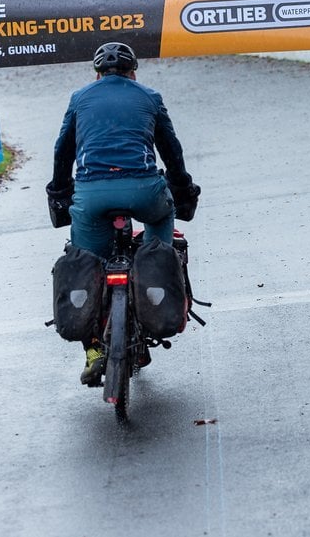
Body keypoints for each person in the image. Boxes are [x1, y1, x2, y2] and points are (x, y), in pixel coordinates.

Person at [47, 42, 200, 384]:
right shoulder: (149, 97)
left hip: (92, 195)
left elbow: (63, 151)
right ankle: (151, 299)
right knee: (159, 237)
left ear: (97, 74)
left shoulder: (80, 98)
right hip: (144, 191)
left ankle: (94, 350)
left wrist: (60, 190)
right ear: (133, 73)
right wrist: (182, 188)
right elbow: (171, 151)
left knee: (88, 262)